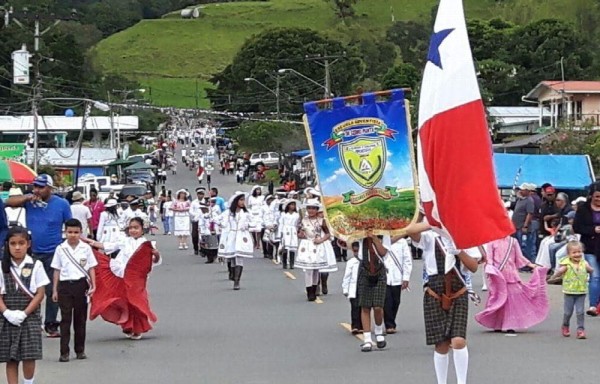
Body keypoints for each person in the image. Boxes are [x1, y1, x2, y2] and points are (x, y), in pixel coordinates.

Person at [407, 220, 481, 384]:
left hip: (458, 290)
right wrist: (434, 222)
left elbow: (474, 266)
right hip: (435, 290)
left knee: (458, 341)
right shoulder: (430, 235)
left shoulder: (464, 235)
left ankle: (462, 381)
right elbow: (411, 230)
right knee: (441, 343)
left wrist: (459, 251)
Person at [6, 174, 71, 337]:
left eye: (41, 187)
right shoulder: (30, 202)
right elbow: (8, 203)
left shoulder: (61, 204)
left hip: (53, 252)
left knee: (51, 290)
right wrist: (27, 198)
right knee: (27, 288)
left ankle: (50, 323)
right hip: (32, 252)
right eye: (35, 186)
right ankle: (28, 319)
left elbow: (70, 226)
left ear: (50, 188)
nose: (37, 190)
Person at [85, 217, 161, 340]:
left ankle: (138, 327)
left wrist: (156, 255)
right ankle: (127, 325)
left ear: (142, 229)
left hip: (136, 278)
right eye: (131, 228)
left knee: (137, 301)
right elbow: (108, 246)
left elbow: (153, 262)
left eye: (136, 228)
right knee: (124, 300)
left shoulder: (148, 244)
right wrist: (90, 242)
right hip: (120, 273)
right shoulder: (124, 241)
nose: (133, 230)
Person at [0, 226, 49, 384]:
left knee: (29, 355)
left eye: (21, 243)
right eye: (13, 243)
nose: (17, 247)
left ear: (28, 244)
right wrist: (7, 312)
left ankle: (28, 382)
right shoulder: (2, 266)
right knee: (10, 357)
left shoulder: (36, 264)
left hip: (29, 316)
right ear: (7, 245)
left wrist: (24, 313)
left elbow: (40, 293)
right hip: (7, 316)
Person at [474, 236, 549, 333]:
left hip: (511, 275)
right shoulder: (492, 242)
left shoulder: (513, 241)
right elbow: (490, 260)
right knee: (498, 299)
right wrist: (490, 271)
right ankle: (498, 323)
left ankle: (510, 324)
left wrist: (531, 265)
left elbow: (519, 257)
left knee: (511, 301)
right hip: (498, 276)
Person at [50, 219, 97, 362]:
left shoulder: (86, 248)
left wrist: (93, 286)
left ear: (81, 233)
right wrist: (54, 290)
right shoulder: (60, 249)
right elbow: (56, 270)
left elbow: (91, 268)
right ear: (65, 232)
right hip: (64, 286)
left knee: (80, 319)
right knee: (65, 320)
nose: (73, 235)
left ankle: (80, 350)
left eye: (76, 232)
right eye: (69, 232)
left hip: (81, 285)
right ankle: (64, 352)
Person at [546, 240, 592, 339]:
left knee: (580, 312)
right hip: (569, 291)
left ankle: (581, 329)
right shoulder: (566, 264)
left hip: (581, 291)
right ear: (569, 254)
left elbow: (590, 269)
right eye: (574, 252)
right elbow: (559, 272)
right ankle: (565, 325)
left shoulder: (584, 263)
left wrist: (591, 270)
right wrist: (553, 277)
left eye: (579, 252)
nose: (577, 254)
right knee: (568, 312)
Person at [296, 199, 335, 301]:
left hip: (317, 245)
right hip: (307, 245)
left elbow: (327, 234)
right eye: (309, 208)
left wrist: (321, 240)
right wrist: (301, 234)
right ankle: (309, 291)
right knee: (308, 269)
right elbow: (299, 234)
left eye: (313, 208)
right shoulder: (303, 220)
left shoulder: (322, 221)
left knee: (316, 269)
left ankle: (314, 288)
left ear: (317, 209)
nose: (311, 210)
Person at [572, 181, 600, 316]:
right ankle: (593, 306)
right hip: (590, 247)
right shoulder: (583, 209)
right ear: (591, 196)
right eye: (597, 196)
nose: (599, 199)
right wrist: (593, 230)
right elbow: (577, 227)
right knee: (595, 276)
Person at [217, 193, 253, 290]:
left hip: (241, 236)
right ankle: (232, 273)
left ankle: (237, 281)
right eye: (240, 200)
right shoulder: (228, 213)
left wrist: (247, 225)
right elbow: (218, 220)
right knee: (232, 258)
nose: (242, 202)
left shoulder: (246, 213)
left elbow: (254, 222)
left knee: (239, 258)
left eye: (243, 200)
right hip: (231, 236)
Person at [384, 236, 412, 334]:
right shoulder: (382, 240)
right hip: (384, 277)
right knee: (387, 301)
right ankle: (389, 324)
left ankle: (391, 320)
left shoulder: (402, 242)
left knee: (396, 301)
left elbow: (407, 260)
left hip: (397, 276)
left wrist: (406, 278)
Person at [341, 241, 362, 334]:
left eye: (358, 251)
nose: (356, 253)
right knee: (355, 306)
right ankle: (355, 326)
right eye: (355, 251)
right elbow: (347, 277)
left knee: (363, 307)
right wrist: (345, 289)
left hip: (364, 287)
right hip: (354, 288)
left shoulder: (366, 261)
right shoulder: (351, 262)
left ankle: (363, 325)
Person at [280, 200, 300, 270]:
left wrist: (298, 230)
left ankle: (292, 263)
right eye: (291, 205)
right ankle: (284, 263)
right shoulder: (284, 214)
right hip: (286, 230)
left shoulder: (297, 215)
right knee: (285, 247)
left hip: (293, 230)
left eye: (294, 205)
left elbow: (298, 223)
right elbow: (281, 223)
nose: (293, 206)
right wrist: (281, 232)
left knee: (292, 248)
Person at [247, 186, 265, 251]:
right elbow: (249, 206)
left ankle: (258, 242)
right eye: (257, 190)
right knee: (253, 229)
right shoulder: (251, 198)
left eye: (259, 190)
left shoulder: (262, 197)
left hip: (260, 213)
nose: (258, 191)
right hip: (253, 213)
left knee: (259, 229)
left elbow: (263, 205)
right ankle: (254, 240)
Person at [190, 188, 207, 255]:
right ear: (197, 194)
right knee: (195, 235)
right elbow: (191, 211)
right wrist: (196, 215)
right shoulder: (194, 202)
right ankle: (196, 248)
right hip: (196, 219)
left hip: (204, 220)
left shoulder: (206, 201)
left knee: (204, 235)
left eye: (202, 194)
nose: (201, 195)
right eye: (199, 194)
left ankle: (203, 249)